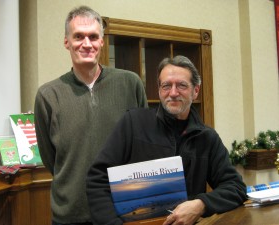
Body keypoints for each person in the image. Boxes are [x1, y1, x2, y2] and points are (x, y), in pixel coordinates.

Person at [86, 55, 247, 225]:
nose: (173, 93)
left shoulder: (207, 138)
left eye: (182, 86)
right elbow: (97, 180)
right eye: (166, 86)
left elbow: (235, 188)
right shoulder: (133, 123)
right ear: (159, 90)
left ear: (196, 91)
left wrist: (201, 204)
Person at [34, 5, 148, 225]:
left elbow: (142, 144)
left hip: (123, 211)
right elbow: (51, 159)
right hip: (70, 215)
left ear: (102, 42)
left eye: (93, 37)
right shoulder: (48, 95)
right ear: (66, 41)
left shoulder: (130, 83)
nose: (87, 44)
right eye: (78, 36)